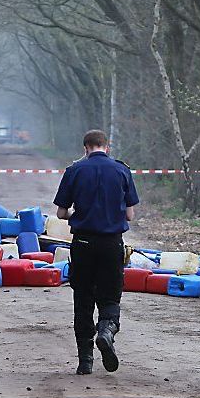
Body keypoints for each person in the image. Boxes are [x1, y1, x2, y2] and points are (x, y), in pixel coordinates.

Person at [53, 130, 139, 374]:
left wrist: (77, 215)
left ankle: (85, 362)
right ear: (107, 147)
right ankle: (106, 330)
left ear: (85, 148)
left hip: (83, 244)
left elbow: (61, 213)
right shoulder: (122, 171)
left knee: (83, 300)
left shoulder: (74, 171)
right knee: (110, 297)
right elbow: (130, 214)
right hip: (112, 244)